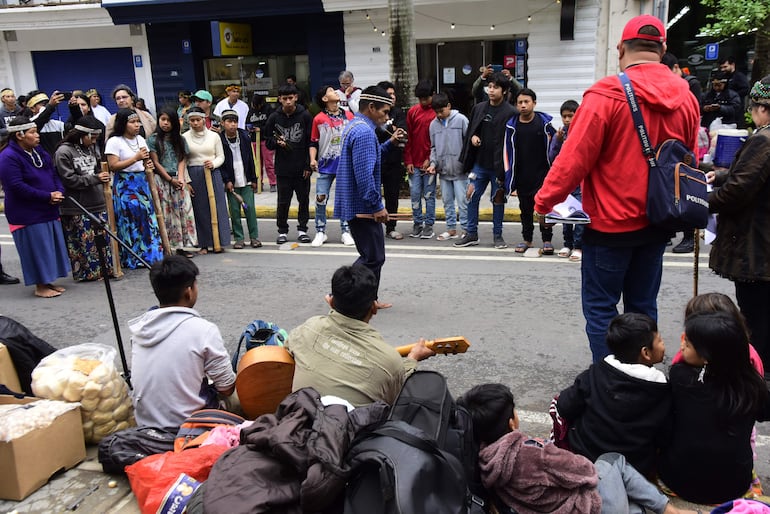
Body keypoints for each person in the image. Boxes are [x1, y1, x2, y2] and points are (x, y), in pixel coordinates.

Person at [533, 15, 700, 362]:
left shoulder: (606, 94)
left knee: (600, 310)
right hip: (659, 221)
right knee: (643, 306)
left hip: (609, 226)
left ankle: (612, 382)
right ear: (663, 49)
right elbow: (689, 160)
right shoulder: (687, 98)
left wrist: (544, 202)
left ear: (621, 49)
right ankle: (646, 375)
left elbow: (572, 160)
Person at [458, 384, 690, 514]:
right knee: (612, 461)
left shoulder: (485, 458)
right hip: (584, 510)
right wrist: (545, 448)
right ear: (512, 422)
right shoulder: (533, 454)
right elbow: (585, 472)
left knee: (636, 506)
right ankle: (671, 510)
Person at [658, 311, 770, 504]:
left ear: (707, 357)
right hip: (735, 485)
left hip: (679, 481)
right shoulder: (752, 386)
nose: (682, 345)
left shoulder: (680, 377)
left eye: (688, 343)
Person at [286, 264, 434, 406]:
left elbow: (287, 350)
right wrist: (412, 359)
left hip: (296, 424)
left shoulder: (308, 328)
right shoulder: (389, 360)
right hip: (351, 430)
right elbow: (395, 399)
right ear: (374, 308)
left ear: (330, 302)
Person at [556, 313, 670, 478]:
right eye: (659, 340)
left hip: (586, 456)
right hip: (634, 467)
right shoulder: (661, 390)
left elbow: (564, 406)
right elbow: (665, 435)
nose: (663, 343)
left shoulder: (594, 374)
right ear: (646, 352)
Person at [129, 255, 236, 430]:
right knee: (240, 396)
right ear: (189, 291)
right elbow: (226, 388)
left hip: (146, 424)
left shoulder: (139, 329)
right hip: (189, 427)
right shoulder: (203, 330)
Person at [708, 76, 770, 378]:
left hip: (758, 247)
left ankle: (759, 383)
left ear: (761, 107)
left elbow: (739, 190)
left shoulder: (764, 139)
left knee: (757, 320)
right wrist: (719, 177)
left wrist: (703, 201)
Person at [334, 85, 405, 308]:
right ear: (371, 107)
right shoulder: (364, 132)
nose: (387, 116)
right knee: (372, 257)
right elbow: (364, 175)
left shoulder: (355, 125)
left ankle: (368, 300)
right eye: (384, 111)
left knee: (372, 256)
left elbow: (370, 160)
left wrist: (390, 144)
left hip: (356, 203)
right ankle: (341, 296)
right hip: (362, 206)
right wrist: (376, 206)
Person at [0, 116, 70, 297]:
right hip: (26, 213)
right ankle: (40, 286)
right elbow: (16, 186)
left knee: (48, 247)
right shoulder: (8, 156)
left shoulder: (38, 151)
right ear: (20, 135)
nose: (37, 135)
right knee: (36, 249)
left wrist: (58, 191)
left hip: (47, 208)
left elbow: (53, 173)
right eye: (32, 132)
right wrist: (47, 196)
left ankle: (47, 281)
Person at [455, 72, 516, 248]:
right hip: (479, 164)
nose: (491, 90)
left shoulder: (510, 112)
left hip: (499, 167)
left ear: (504, 91)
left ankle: (498, 235)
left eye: (495, 87)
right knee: (471, 197)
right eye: (489, 86)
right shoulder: (479, 108)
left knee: (498, 200)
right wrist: (474, 136)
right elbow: (472, 130)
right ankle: (471, 233)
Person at [54, 116, 113, 281]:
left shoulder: (92, 148)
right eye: (92, 137)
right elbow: (68, 179)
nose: (94, 141)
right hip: (76, 204)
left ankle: (104, 269)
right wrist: (95, 179)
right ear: (82, 134)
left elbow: (96, 170)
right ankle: (88, 273)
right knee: (82, 241)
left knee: (102, 239)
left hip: (97, 201)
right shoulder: (63, 152)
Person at [105, 108, 164, 269]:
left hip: (142, 181)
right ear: (123, 124)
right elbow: (113, 166)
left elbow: (144, 161)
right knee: (131, 216)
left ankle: (150, 254)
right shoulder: (114, 141)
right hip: (125, 183)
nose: (137, 125)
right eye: (132, 122)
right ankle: (133, 256)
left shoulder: (140, 139)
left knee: (147, 215)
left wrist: (147, 164)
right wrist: (135, 158)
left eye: (138, 121)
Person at [504, 88, 556, 253]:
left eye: (527, 102)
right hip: (522, 175)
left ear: (534, 103)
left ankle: (547, 240)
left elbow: (555, 146)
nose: (523, 105)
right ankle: (527, 239)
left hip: (542, 175)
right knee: (525, 210)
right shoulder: (512, 126)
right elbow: (506, 152)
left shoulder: (544, 124)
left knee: (543, 209)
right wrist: (507, 178)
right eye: (520, 102)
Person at [661, 53, 702, 254]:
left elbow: (694, 119)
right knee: (668, 192)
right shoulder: (663, 88)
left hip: (684, 150)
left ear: (676, 68)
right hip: (668, 150)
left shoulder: (689, 87)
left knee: (686, 192)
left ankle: (688, 237)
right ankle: (667, 233)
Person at [264, 84, 312, 244]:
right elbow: (268, 141)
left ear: (296, 98)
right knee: (283, 201)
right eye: (284, 99)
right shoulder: (274, 117)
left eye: (291, 98)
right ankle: (282, 231)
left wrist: (308, 165)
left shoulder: (305, 115)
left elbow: (310, 142)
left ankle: (302, 229)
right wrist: (277, 142)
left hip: (301, 168)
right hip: (283, 168)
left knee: (303, 200)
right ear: (279, 99)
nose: (288, 102)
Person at [147, 108, 198, 258]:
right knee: (166, 213)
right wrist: (170, 179)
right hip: (162, 181)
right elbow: (155, 162)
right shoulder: (153, 139)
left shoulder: (180, 139)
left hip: (179, 179)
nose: (165, 123)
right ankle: (168, 247)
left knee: (183, 212)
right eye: (163, 120)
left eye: (169, 120)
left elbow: (182, 159)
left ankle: (184, 247)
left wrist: (181, 178)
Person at [309, 85, 354, 247]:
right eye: (330, 91)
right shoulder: (318, 119)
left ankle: (346, 231)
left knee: (344, 199)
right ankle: (320, 231)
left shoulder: (348, 115)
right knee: (321, 197)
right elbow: (313, 141)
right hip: (326, 164)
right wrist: (313, 159)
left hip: (344, 165)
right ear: (325, 99)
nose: (335, 91)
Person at [182, 107, 231, 254]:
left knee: (217, 207)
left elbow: (221, 156)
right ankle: (203, 243)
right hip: (194, 173)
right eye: (192, 120)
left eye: (198, 120)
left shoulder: (214, 136)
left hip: (212, 173)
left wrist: (213, 164)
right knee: (200, 209)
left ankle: (219, 241)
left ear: (204, 119)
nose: (195, 123)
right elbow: (183, 161)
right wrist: (187, 181)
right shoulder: (184, 137)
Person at [426, 92, 469, 241]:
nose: (439, 115)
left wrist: (467, 164)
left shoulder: (461, 120)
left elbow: (468, 144)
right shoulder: (433, 125)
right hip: (443, 170)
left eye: (441, 111)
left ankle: (466, 229)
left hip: (460, 170)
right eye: (436, 112)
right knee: (447, 202)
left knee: (463, 202)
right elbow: (433, 148)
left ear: (449, 106)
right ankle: (451, 229)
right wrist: (433, 164)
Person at [219, 109, 261, 249]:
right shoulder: (219, 139)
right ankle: (239, 238)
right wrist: (227, 180)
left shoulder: (244, 136)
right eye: (229, 122)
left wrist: (254, 179)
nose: (232, 125)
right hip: (232, 182)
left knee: (250, 210)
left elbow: (251, 158)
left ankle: (254, 237)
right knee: (235, 212)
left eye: (235, 121)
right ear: (222, 123)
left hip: (246, 180)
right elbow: (222, 163)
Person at [549, 99, 583, 261]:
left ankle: (578, 246)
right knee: (566, 217)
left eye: (571, 116)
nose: (567, 119)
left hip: (580, 183)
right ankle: (567, 244)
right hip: (566, 183)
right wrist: (557, 141)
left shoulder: (584, 133)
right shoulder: (560, 134)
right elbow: (552, 158)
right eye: (564, 116)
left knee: (580, 217)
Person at [404, 80, 437, 239]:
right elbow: (408, 138)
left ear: (432, 96)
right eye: (420, 99)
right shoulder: (412, 112)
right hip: (414, 162)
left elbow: (438, 141)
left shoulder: (437, 113)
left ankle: (429, 225)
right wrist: (408, 160)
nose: (423, 102)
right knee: (415, 193)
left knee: (429, 195)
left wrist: (430, 159)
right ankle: (417, 223)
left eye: (426, 98)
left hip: (429, 163)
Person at [375, 80, 407, 240]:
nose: (392, 97)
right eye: (389, 94)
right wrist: (389, 130)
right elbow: (376, 132)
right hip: (376, 162)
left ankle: (391, 228)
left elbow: (401, 132)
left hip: (394, 161)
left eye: (394, 94)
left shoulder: (399, 112)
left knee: (392, 195)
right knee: (373, 194)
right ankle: (372, 227)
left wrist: (388, 130)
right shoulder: (375, 114)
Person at [246, 92, 276, 192]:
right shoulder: (251, 111)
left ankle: (273, 183)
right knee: (257, 164)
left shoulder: (268, 110)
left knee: (268, 163)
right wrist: (250, 128)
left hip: (265, 139)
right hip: (254, 140)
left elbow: (272, 124)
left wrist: (261, 129)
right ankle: (259, 183)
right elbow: (248, 122)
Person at [24, 91, 65, 156]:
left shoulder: (58, 124)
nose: (46, 107)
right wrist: (50, 106)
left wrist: (74, 108)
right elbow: (40, 120)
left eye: (47, 104)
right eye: (43, 105)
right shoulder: (29, 124)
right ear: (32, 108)